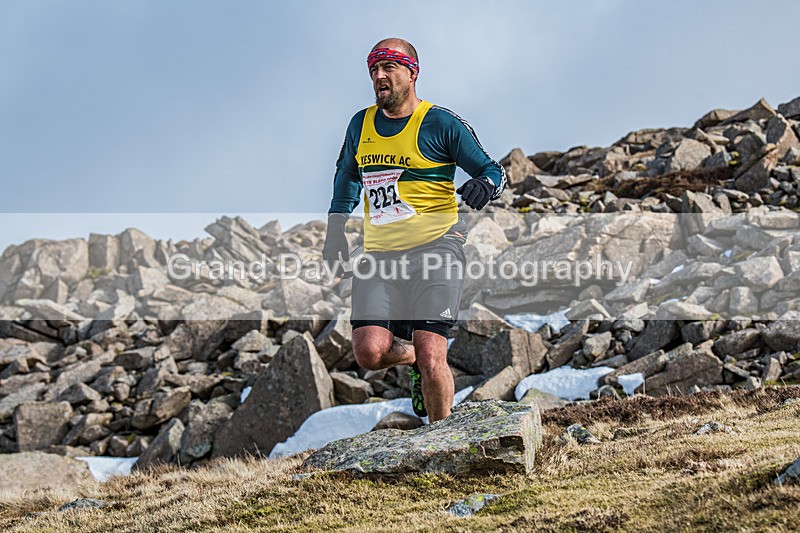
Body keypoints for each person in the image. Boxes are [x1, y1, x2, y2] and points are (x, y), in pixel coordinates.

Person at [322, 37, 506, 422]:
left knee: (432, 351)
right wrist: (335, 229)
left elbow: (493, 169)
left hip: (436, 249)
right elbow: (347, 175)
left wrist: (484, 185)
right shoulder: (361, 123)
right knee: (369, 353)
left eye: (388, 67)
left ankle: (442, 444)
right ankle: (412, 361)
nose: (379, 75)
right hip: (380, 255)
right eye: (373, 69)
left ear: (412, 73)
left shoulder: (440, 123)